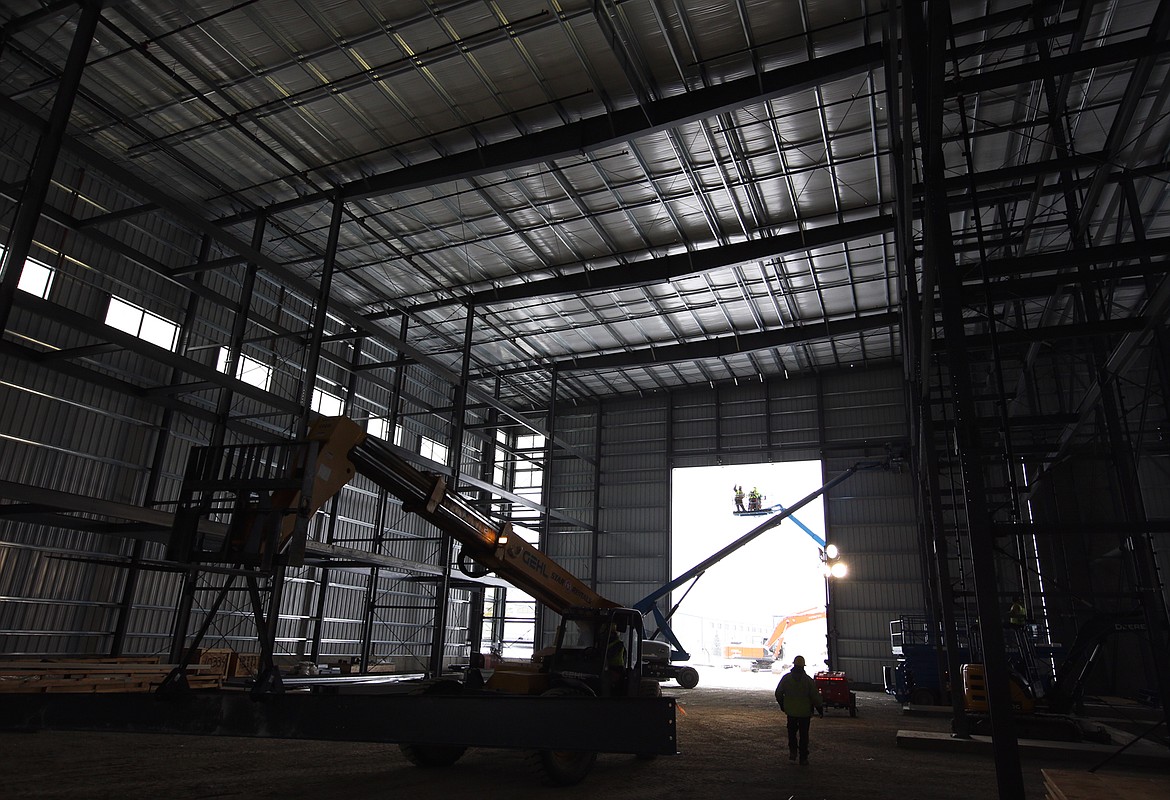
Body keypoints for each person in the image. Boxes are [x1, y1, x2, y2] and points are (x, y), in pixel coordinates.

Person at [775, 654, 823, 765]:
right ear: (803, 667)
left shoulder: (786, 679)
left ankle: (793, 752)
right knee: (804, 736)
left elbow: (778, 693)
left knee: (791, 733)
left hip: (791, 712)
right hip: (805, 713)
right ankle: (803, 758)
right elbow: (815, 696)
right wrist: (819, 708)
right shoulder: (808, 681)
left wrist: (782, 705)